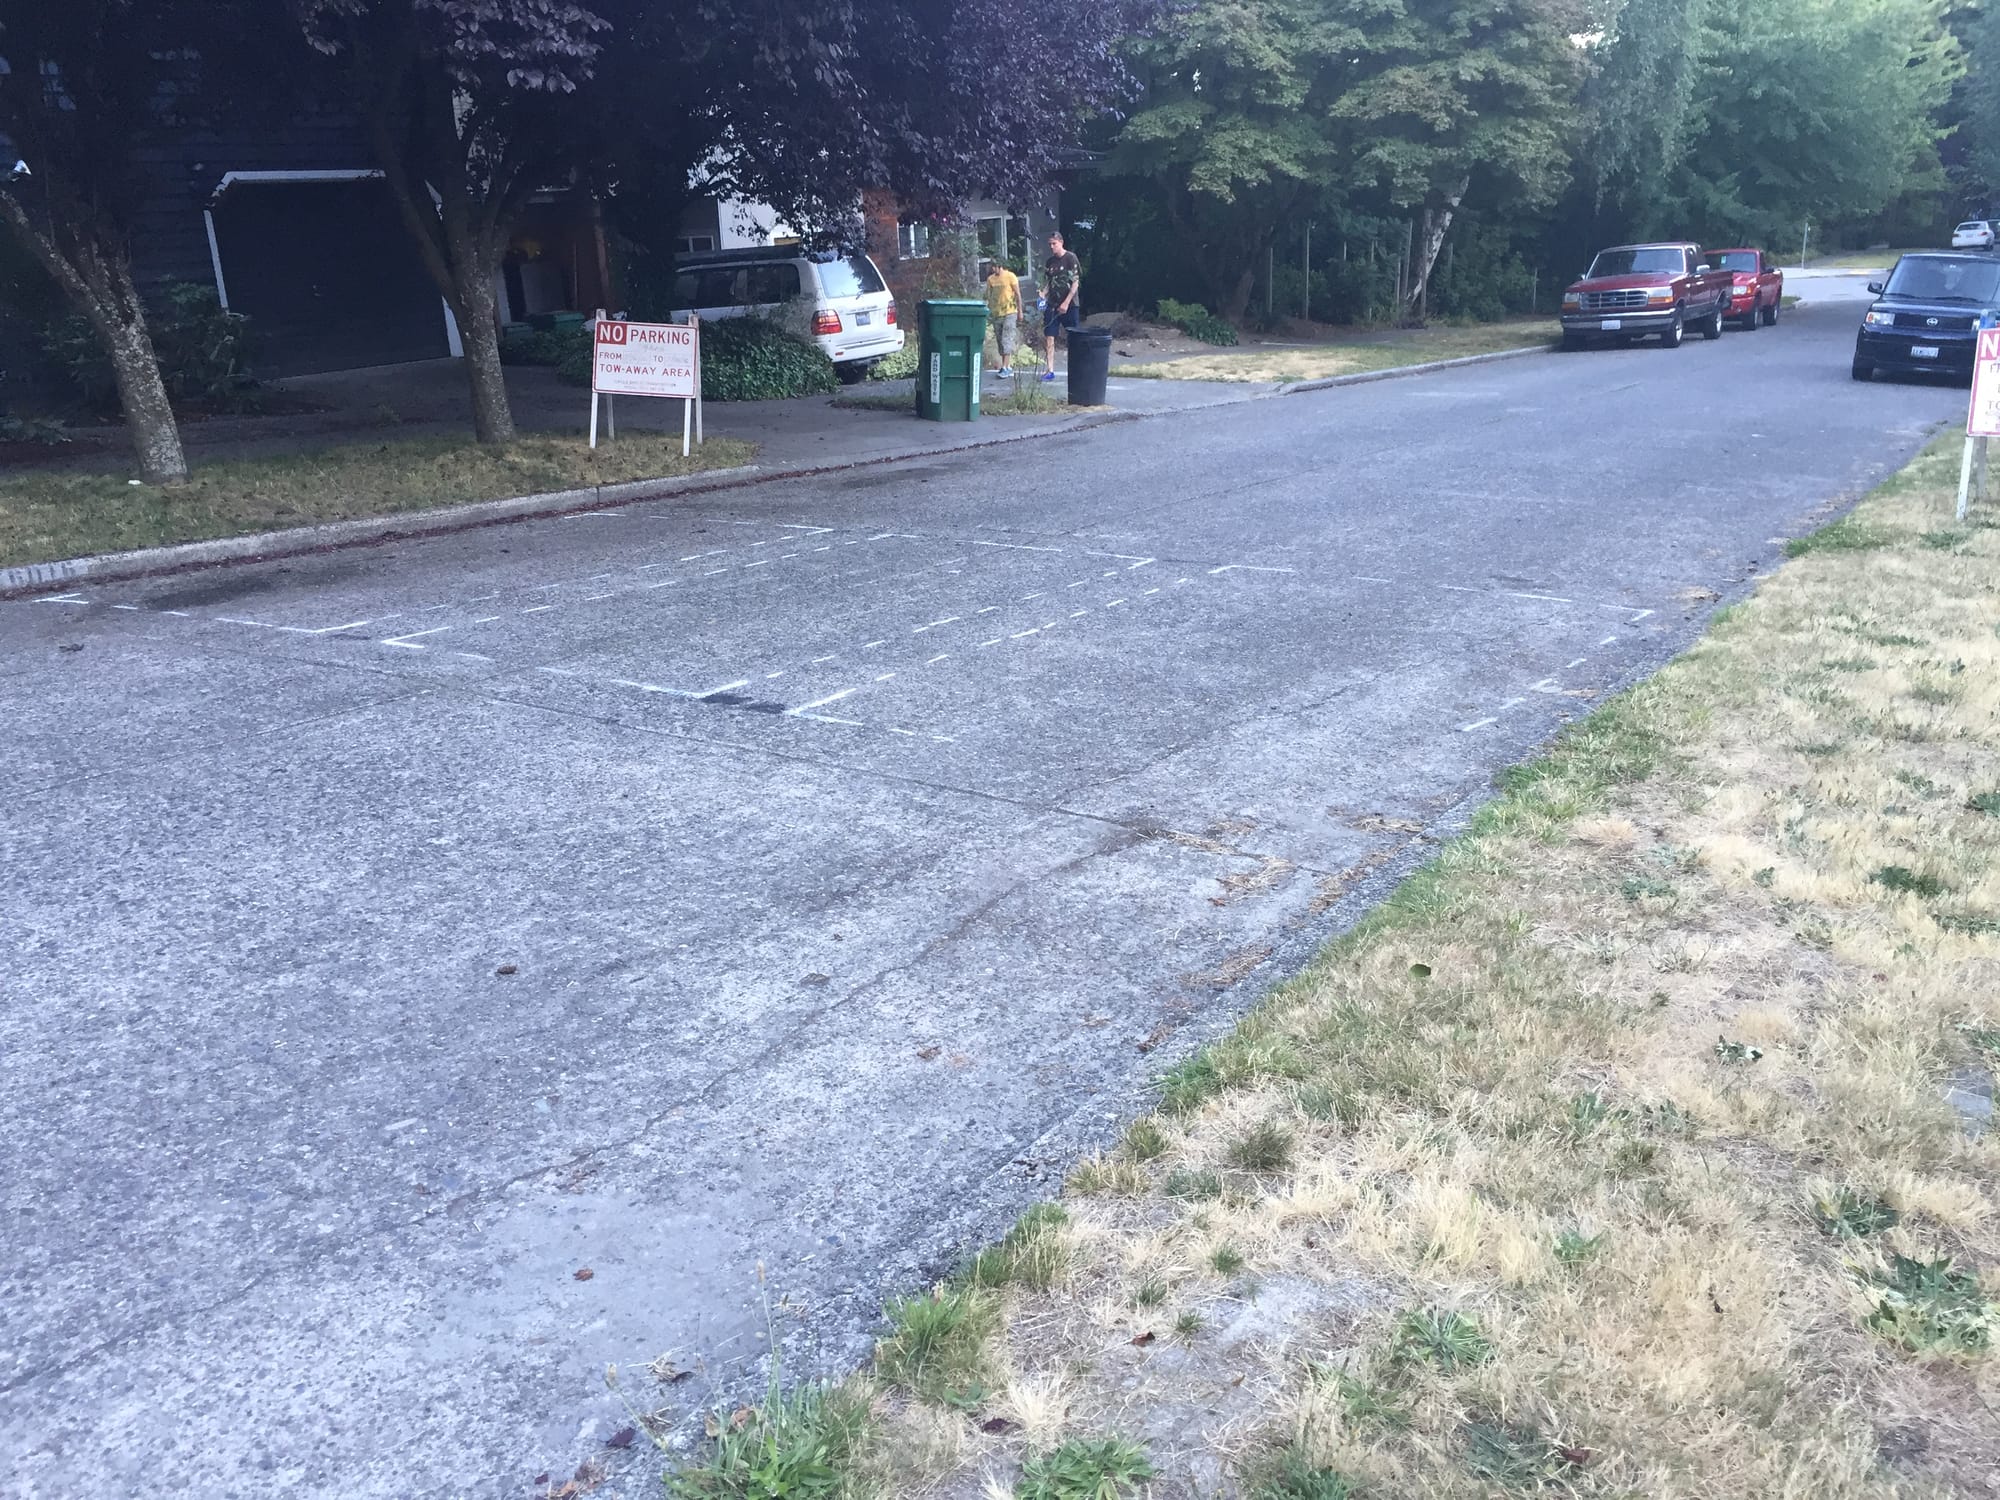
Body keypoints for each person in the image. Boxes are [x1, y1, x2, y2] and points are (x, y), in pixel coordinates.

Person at [1040, 230, 1081, 383]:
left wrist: (1066, 302)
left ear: (1061, 243)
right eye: (1050, 244)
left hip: (1069, 304)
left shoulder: (1070, 258)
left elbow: (1075, 282)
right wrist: (1043, 293)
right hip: (1052, 304)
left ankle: (1077, 368)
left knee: (1074, 337)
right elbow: (1048, 283)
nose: (1052, 247)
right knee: (1049, 336)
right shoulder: (1050, 262)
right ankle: (1050, 369)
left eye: (1054, 244)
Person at [984, 257, 1022, 379]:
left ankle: (1004, 367)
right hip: (997, 313)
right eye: (992, 267)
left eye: (995, 266)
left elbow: (1017, 294)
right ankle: (1007, 364)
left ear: (1000, 266)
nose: (994, 269)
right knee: (1000, 340)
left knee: (1007, 338)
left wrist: (1020, 311)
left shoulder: (1010, 276)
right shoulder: (991, 279)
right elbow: (989, 296)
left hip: (1010, 312)